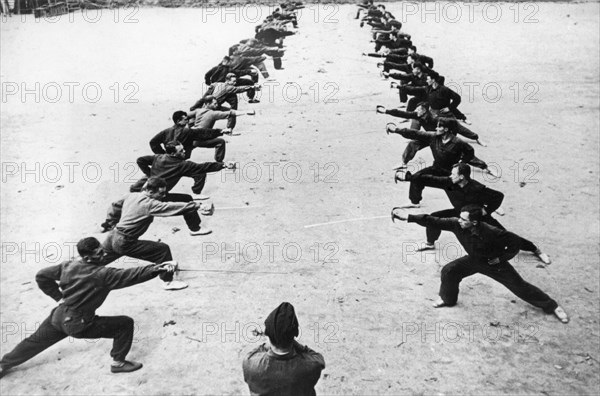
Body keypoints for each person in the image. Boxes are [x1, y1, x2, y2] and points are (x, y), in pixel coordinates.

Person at [0, 237, 177, 378]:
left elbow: (42, 276)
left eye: (102, 251)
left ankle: (3, 364)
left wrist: (58, 297)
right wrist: (157, 268)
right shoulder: (102, 274)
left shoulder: (69, 264)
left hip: (59, 315)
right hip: (79, 324)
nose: (103, 256)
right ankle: (118, 363)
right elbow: (130, 275)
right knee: (124, 324)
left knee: (34, 342)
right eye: (99, 254)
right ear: (87, 257)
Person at [391, 205, 569, 323]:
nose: (459, 221)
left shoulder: (493, 231)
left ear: (474, 222)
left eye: (463, 219)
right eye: (460, 218)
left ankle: (551, 305)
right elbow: (433, 221)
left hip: (494, 264)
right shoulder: (456, 224)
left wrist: (501, 259)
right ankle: (448, 299)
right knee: (449, 271)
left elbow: (515, 242)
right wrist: (409, 217)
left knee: (520, 287)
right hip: (473, 260)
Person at [397, 163, 551, 264]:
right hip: (459, 213)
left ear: (462, 177)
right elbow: (430, 179)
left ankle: (535, 249)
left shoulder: (477, 188)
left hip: (478, 217)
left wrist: (486, 210)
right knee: (433, 218)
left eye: (454, 174)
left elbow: (498, 196)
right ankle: (430, 243)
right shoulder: (449, 182)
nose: (450, 176)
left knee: (504, 235)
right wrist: (409, 178)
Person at [100, 177, 210, 290]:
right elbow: (171, 207)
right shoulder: (150, 204)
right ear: (150, 192)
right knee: (162, 250)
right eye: (161, 193)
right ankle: (167, 281)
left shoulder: (131, 195)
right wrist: (198, 205)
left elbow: (115, 205)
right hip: (125, 242)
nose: (163, 196)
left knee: (96, 261)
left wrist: (110, 222)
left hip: (113, 235)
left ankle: (81, 272)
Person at [387, 118, 476, 207]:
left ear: (446, 129)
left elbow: (470, 152)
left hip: (450, 172)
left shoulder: (458, 142)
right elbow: (416, 133)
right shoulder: (433, 137)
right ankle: (414, 202)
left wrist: (462, 163)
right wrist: (396, 130)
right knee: (417, 177)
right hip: (436, 167)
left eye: (439, 127)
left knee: (457, 195)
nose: (436, 128)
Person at [243, 302, 326, 395]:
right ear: (293, 336)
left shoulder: (250, 363)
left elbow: (260, 349)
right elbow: (317, 358)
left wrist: (272, 337)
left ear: (269, 336)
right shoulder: (312, 365)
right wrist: (290, 340)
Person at [131, 140, 237, 201]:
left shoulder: (158, 157)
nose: (184, 151)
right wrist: (223, 165)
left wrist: (149, 174)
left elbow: (140, 160)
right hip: (159, 195)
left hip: (148, 188)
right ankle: (196, 194)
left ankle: (137, 192)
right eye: (181, 151)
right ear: (173, 153)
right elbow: (204, 166)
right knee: (188, 200)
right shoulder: (182, 165)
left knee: (199, 173)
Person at [187, 96, 255, 162]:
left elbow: (186, 116)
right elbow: (231, 113)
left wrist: (189, 126)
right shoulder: (213, 114)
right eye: (214, 103)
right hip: (201, 140)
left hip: (192, 138)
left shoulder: (198, 111)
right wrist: (246, 112)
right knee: (220, 142)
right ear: (207, 104)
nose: (217, 105)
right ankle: (219, 162)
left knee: (189, 146)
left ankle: (182, 158)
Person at [149, 111, 230, 161]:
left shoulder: (166, 131)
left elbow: (153, 142)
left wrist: (162, 153)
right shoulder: (186, 131)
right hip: (179, 159)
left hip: (166, 157)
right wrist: (220, 131)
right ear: (178, 121)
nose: (187, 121)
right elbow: (203, 133)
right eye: (185, 119)